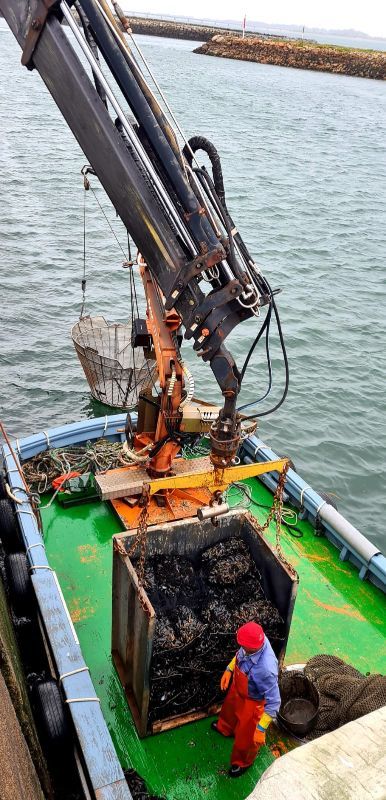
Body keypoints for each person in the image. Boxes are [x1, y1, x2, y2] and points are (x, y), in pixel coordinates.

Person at [211, 621, 280, 778]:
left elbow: (274, 702)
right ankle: (225, 728)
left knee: (246, 737)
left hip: (253, 701)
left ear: (254, 646)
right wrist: (229, 669)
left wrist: (261, 729)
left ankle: (243, 762)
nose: (240, 646)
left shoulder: (267, 669)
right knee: (228, 711)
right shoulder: (256, 640)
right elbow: (241, 653)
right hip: (238, 688)